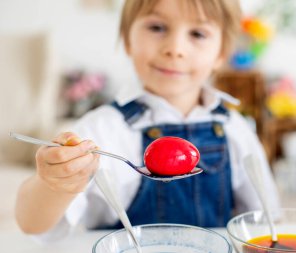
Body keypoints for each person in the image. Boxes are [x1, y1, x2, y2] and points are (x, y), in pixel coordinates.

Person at [15, 0, 280, 240]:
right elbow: (32, 225)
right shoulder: (100, 130)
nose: (175, 49)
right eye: (157, 27)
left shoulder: (235, 127)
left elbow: (265, 220)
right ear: (127, 40)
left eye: (198, 33)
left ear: (221, 54)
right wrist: (53, 183)